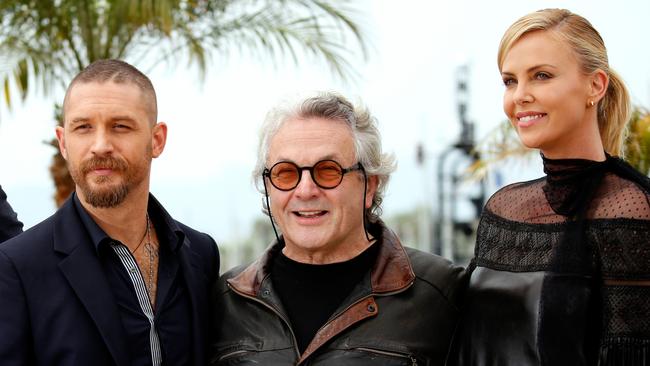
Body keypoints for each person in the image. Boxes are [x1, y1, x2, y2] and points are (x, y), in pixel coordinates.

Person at [447, 8, 650, 366]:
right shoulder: (502, 208)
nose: (520, 96)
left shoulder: (631, 208)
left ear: (595, 85)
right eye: (510, 81)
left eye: (541, 76)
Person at [210, 92, 465, 365]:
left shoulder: (442, 293)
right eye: (286, 173)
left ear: (371, 185)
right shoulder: (224, 300)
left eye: (328, 171)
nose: (305, 190)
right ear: (268, 187)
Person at [0, 59, 220, 366]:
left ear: (157, 140)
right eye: (83, 128)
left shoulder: (200, 253)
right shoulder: (16, 267)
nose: (100, 145)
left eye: (120, 126)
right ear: (63, 142)